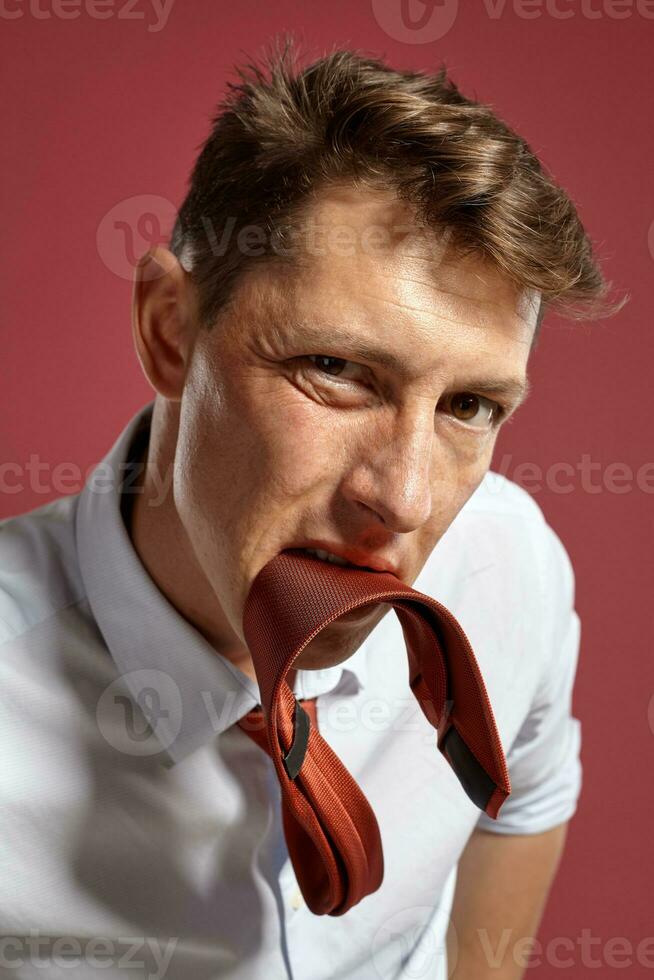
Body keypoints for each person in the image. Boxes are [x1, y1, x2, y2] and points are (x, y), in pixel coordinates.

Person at [0, 39, 623, 980]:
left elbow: (527, 799)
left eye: (470, 407)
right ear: (171, 330)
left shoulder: (512, 561)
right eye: (336, 371)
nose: (404, 499)